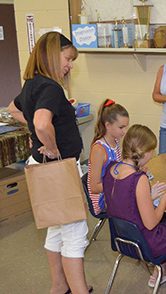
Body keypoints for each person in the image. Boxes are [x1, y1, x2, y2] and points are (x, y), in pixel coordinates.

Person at [8, 32, 93, 294]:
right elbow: (42, 123)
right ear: (52, 53)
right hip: (58, 168)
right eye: (68, 59)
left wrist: (38, 134)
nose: (70, 65)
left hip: (40, 165)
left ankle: (59, 287)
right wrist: (51, 145)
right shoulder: (51, 87)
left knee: (56, 230)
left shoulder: (32, 83)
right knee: (75, 234)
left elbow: (13, 109)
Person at [102, 124, 166, 294]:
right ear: (144, 152)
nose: (152, 155)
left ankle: (161, 271)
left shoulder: (111, 168)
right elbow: (150, 224)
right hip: (145, 244)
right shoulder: (139, 178)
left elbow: (117, 204)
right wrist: (164, 200)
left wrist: (147, 197)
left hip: (122, 239)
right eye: (152, 151)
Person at [87, 99, 129, 215]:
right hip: (101, 198)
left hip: (112, 190)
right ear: (108, 126)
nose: (125, 131)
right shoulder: (99, 149)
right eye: (121, 127)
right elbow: (94, 187)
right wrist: (120, 184)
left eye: (126, 127)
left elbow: (118, 168)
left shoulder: (115, 141)